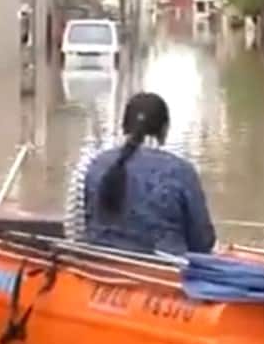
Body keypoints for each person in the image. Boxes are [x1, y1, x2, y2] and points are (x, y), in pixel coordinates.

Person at [81, 92, 216, 256]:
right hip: (161, 272)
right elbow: (202, 241)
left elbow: (85, 223)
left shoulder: (97, 164)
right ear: (164, 129)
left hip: (100, 267)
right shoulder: (180, 171)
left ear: (124, 127)